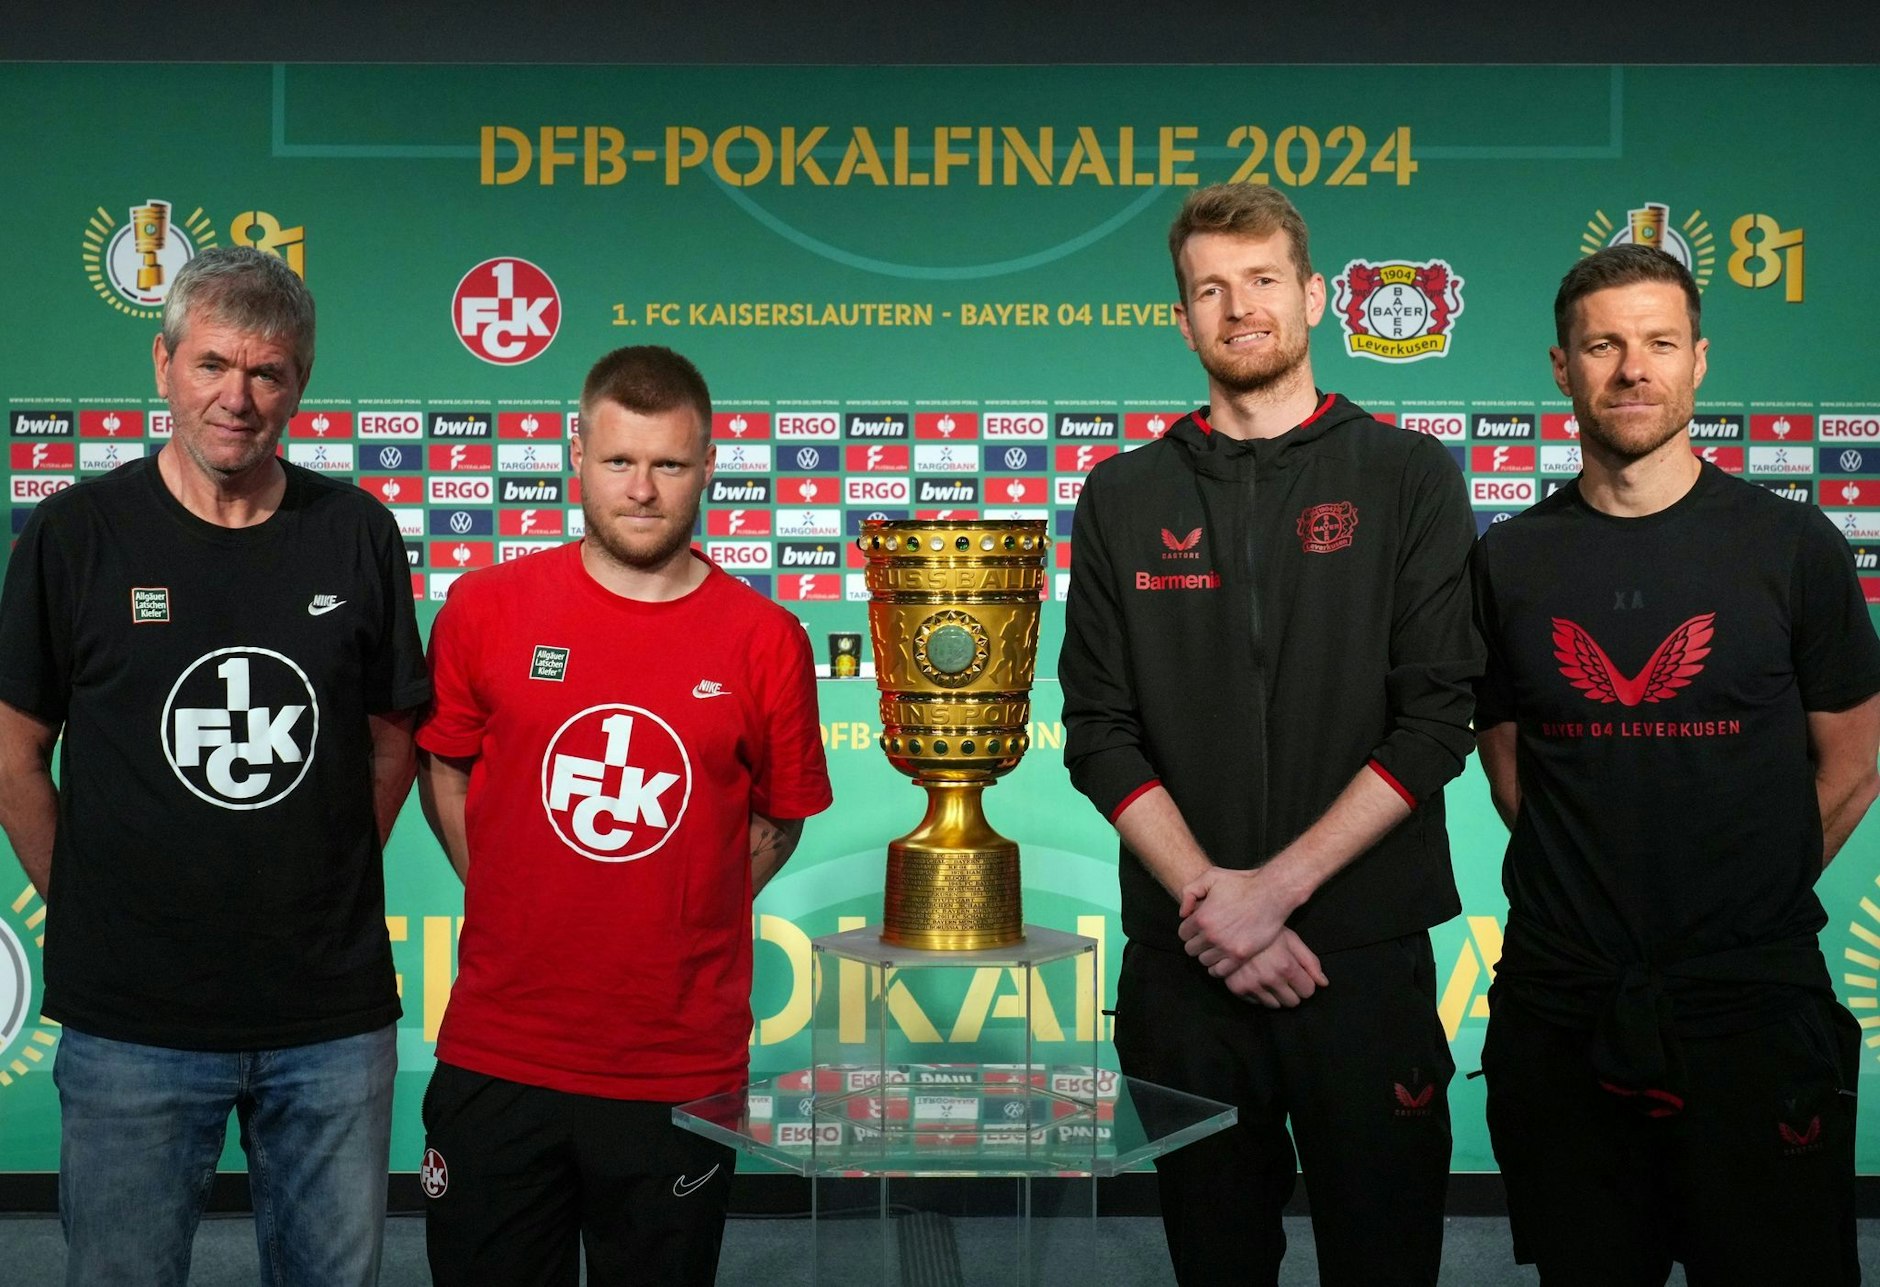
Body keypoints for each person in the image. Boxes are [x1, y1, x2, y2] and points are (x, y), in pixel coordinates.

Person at [1059, 183, 1480, 1286]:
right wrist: (1215, 901)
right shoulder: (1119, 496)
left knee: (1383, 1264)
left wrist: (1272, 892)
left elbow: (1438, 716)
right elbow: (1096, 731)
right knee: (1213, 1267)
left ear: (1311, 295)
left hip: (1363, 965)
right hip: (1185, 973)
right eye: (1208, 288)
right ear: (1181, 318)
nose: (1236, 307)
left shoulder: (1407, 476)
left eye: (1258, 281)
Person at [0, 245, 426, 1285]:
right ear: (162, 365)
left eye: (267, 372)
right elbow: (15, 750)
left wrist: (318, 874)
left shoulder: (357, 534)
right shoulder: (74, 537)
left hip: (328, 1018)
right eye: (211, 365)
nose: (237, 397)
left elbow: (391, 740)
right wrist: (91, 899)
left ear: (301, 385)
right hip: (133, 1021)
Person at [1471, 243, 1880, 1285]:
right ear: (1559, 368)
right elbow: (1510, 765)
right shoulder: (1506, 560)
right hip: (1564, 1007)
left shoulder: (1791, 547)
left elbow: (1853, 756)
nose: (1630, 370)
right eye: (1601, 346)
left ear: (1697, 361)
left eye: (1656, 344)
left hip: (1748, 1005)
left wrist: (1747, 891)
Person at [415, 344, 832, 1287]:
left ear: (708, 468)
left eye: (669, 464)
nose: (641, 489)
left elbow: (781, 816)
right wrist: (511, 893)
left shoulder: (766, 639)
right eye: (618, 461)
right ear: (576, 456)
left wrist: (678, 910)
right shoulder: (486, 607)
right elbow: (444, 765)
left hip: (676, 1060)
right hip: (501, 1047)